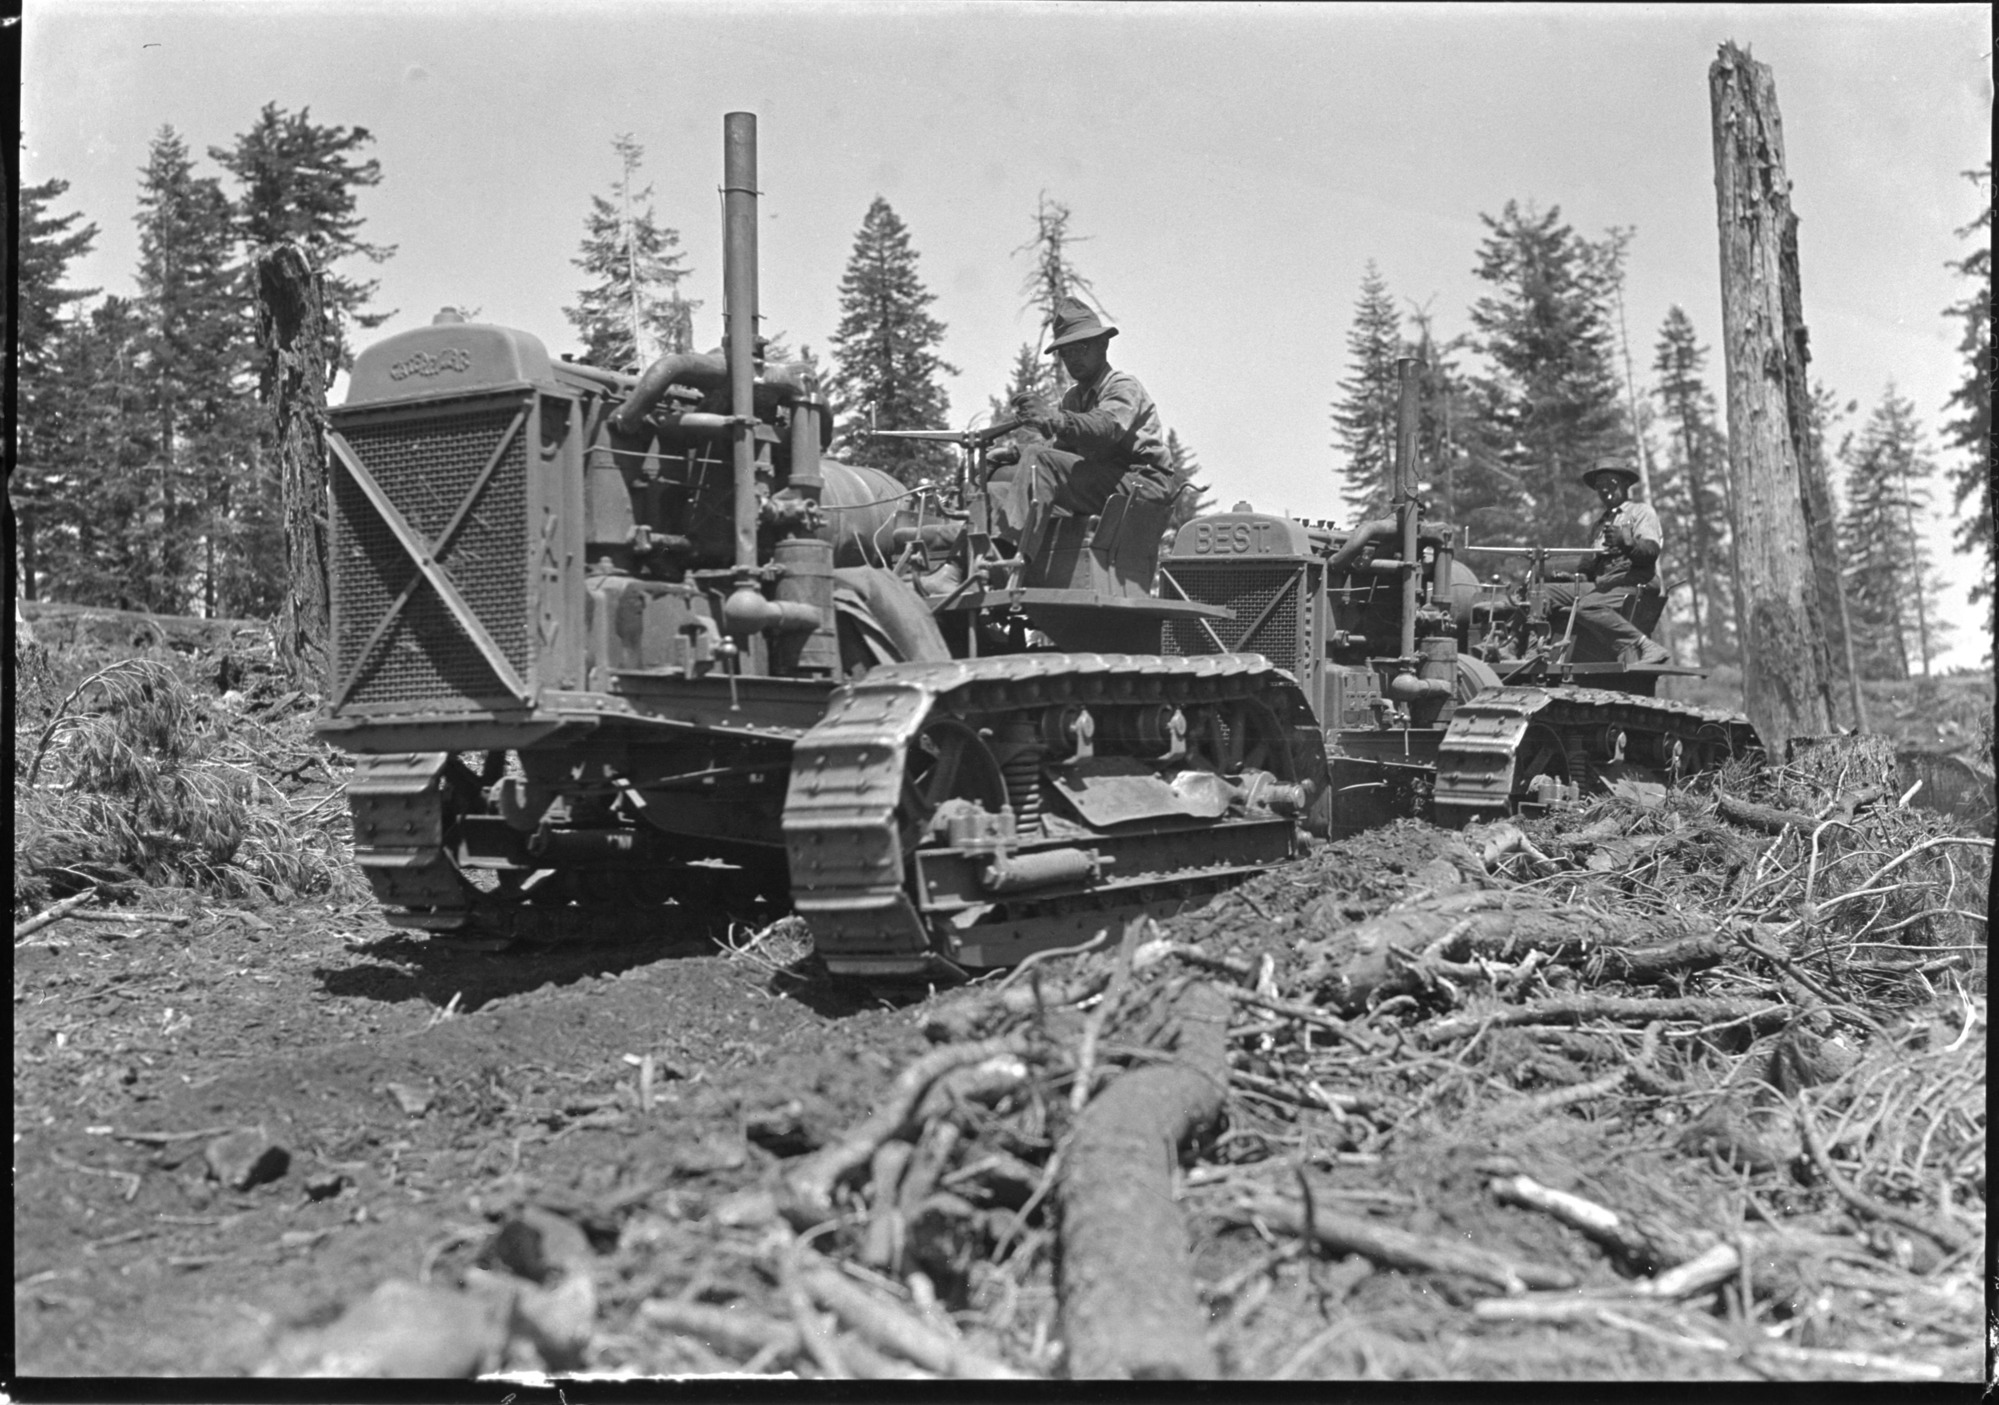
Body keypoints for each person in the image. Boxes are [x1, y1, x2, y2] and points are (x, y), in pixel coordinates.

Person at [989, 298, 1177, 561]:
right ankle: (967, 565)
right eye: (1066, 352)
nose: (1073, 358)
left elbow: (1105, 428)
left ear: (1103, 344)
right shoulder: (1074, 398)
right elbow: (1059, 453)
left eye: (1082, 347)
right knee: (999, 484)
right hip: (1107, 485)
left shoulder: (1122, 387)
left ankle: (1006, 560)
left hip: (1143, 484)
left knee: (1038, 463)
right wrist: (1012, 454)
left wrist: (1055, 419)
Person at [1543, 459, 1671, 667]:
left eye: (1610, 485)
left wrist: (1626, 543)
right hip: (1605, 583)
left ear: (1624, 485)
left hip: (1635, 579)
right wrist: (1577, 578)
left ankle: (1645, 645)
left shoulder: (1641, 512)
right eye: (1600, 487)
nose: (1605, 491)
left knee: (1587, 606)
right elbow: (1589, 568)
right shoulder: (1599, 525)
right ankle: (1531, 649)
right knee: (1545, 592)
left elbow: (1650, 553)